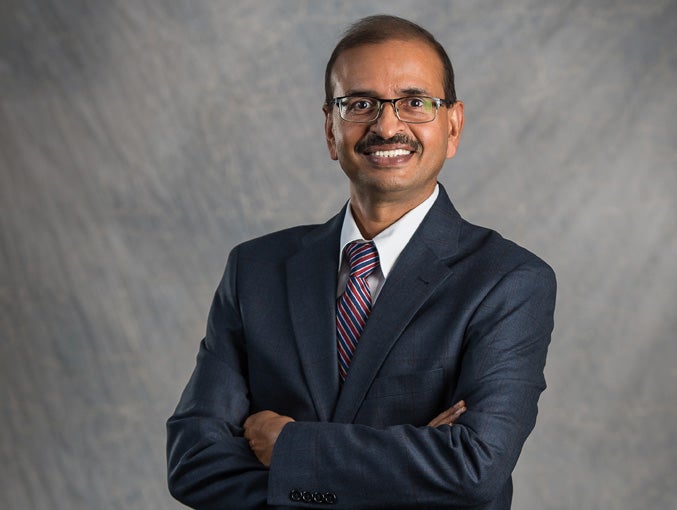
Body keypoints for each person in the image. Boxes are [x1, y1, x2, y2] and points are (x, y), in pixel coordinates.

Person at [167, 14, 556, 510]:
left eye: (416, 102)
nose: (387, 125)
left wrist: (288, 447)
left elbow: (473, 468)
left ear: (453, 126)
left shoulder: (508, 281)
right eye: (360, 104)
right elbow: (192, 463)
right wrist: (409, 468)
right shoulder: (255, 271)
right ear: (330, 129)